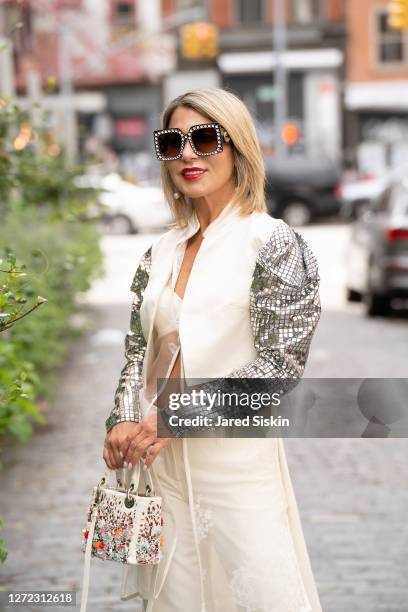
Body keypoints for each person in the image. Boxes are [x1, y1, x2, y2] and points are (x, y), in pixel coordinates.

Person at [102, 88, 323, 612]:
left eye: (204, 138)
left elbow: (278, 366)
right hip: (160, 468)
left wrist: (173, 417)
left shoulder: (271, 243)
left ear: (238, 147)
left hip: (235, 463)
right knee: (175, 598)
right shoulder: (160, 250)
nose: (188, 155)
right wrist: (123, 418)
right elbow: (138, 351)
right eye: (172, 141)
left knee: (261, 596)